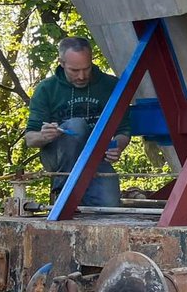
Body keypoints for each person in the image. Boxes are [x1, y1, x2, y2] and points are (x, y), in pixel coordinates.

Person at [24, 37, 131, 206]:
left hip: (95, 158)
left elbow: (123, 130)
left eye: (86, 69)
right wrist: (45, 136)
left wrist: (117, 146)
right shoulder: (46, 89)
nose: (81, 76)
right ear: (61, 63)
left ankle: (79, 201)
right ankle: (64, 194)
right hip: (58, 160)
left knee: (111, 206)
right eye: (74, 70)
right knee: (76, 125)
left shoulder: (110, 85)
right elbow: (30, 139)